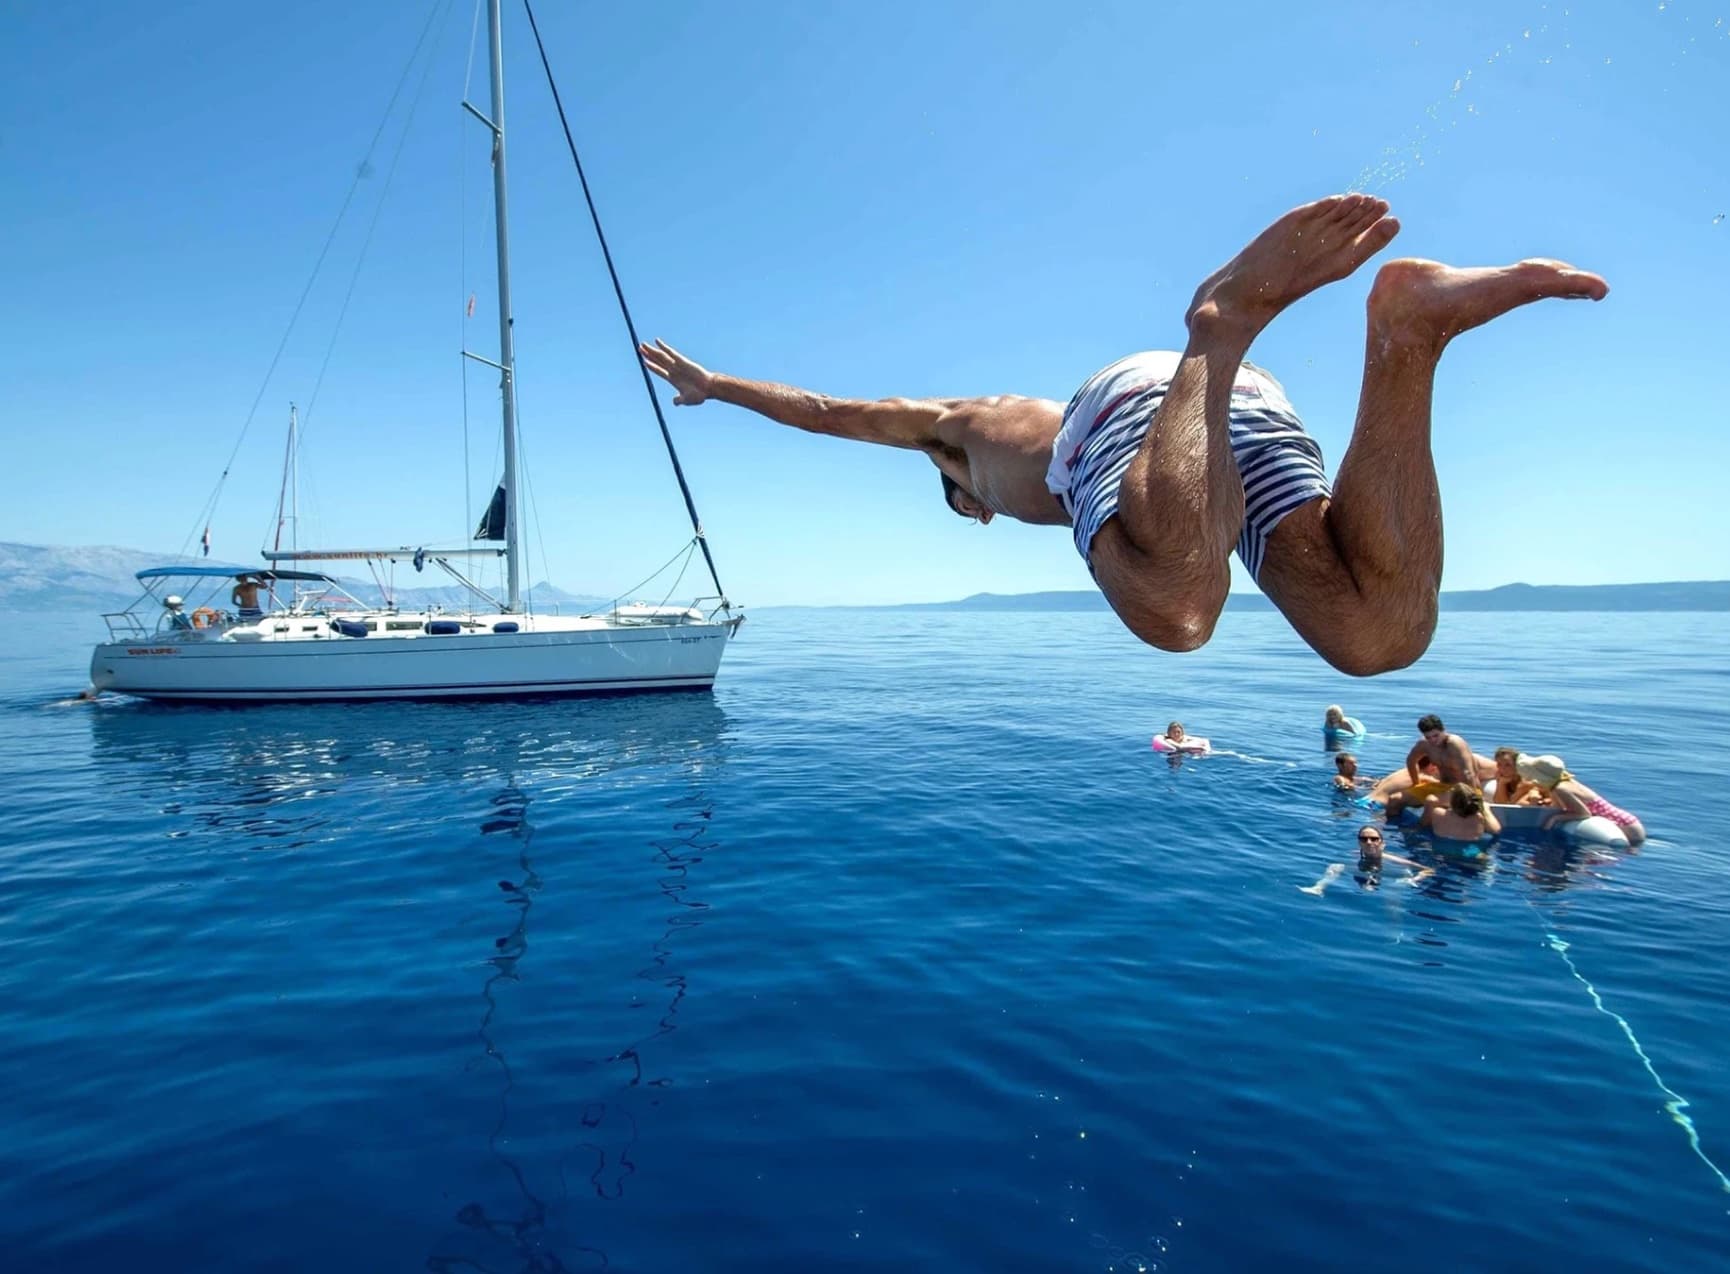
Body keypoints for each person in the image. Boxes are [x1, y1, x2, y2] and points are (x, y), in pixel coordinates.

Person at [641, 193, 1607, 677]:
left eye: (964, 506)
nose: (978, 515)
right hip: (1224, 418)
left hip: (1139, 406)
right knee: (1381, 633)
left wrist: (716, 386)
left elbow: (823, 412)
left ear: (957, 482)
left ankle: (1220, 322)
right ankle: (1408, 333)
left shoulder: (957, 431)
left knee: (1180, 611)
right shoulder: (1008, 450)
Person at [1518, 754, 1647, 847]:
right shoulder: (1564, 783)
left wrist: (1555, 818)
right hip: (1629, 822)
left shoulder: (1560, 789)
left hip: (1625, 827)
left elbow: (1584, 814)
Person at [1385, 714, 1479, 822]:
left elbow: (1468, 773)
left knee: (1431, 801)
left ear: (1443, 730)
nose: (1433, 740)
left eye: (1436, 735)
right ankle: (1392, 831)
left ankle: (1420, 832)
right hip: (1442, 786)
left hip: (1462, 790)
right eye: (1428, 737)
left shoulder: (1455, 744)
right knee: (1394, 800)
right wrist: (1416, 783)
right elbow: (1411, 761)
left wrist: (1472, 800)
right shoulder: (1425, 744)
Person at [1419, 783, 1502, 844]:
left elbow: (1423, 824)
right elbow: (1496, 830)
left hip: (1442, 850)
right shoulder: (1478, 818)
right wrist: (1485, 809)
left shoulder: (1437, 813)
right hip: (1470, 852)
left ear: (1452, 800)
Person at [1366, 754, 1440, 806]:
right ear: (1432, 766)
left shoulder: (1404, 770)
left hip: (1366, 799)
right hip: (1376, 806)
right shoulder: (1424, 777)